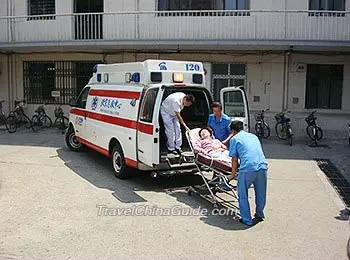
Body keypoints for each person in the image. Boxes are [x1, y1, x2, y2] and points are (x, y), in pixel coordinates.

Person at [227, 120, 268, 226]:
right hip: (262, 166)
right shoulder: (253, 136)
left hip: (248, 168)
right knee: (261, 193)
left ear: (232, 131)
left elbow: (234, 159)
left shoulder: (234, 139)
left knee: (243, 194)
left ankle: (247, 219)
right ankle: (260, 214)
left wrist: (232, 174)